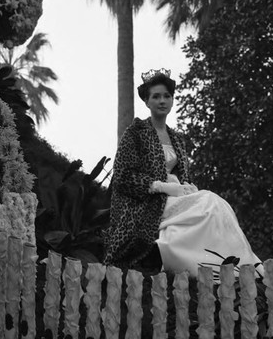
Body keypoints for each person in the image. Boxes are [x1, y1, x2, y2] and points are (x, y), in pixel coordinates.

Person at [104, 68, 263, 280]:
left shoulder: (177, 138)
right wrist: (160, 186)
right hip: (145, 203)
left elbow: (181, 175)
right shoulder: (135, 133)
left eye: (167, 96)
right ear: (147, 101)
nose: (162, 101)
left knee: (218, 204)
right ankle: (177, 258)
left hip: (175, 196)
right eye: (156, 96)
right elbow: (123, 178)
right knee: (210, 203)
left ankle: (238, 267)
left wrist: (186, 187)